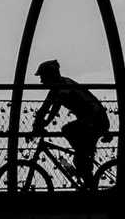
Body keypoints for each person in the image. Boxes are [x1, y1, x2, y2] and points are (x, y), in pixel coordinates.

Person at [31, 59, 110, 187]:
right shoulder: (59, 86)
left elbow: (53, 105)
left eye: (43, 77)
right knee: (81, 158)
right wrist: (42, 123)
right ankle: (89, 180)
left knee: (68, 132)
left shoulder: (63, 88)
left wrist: (40, 125)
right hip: (94, 120)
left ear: (51, 75)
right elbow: (47, 109)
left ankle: (87, 175)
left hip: (94, 120)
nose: (41, 82)